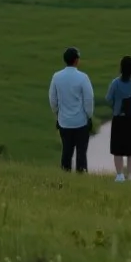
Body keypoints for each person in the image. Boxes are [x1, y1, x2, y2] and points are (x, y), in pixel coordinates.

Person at [48, 45, 94, 173]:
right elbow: (89, 99)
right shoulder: (83, 77)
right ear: (76, 60)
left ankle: (64, 177)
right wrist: (89, 116)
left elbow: (52, 99)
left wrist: (57, 113)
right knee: (81, 153)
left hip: (64, 122)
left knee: (66, 152)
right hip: (81, 122)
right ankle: (81, 176)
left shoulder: (56, 77)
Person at [105, 55, 131, 182]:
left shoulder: (115, 83)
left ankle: (120, 175)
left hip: (119, 119)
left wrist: (116, 106)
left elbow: (109, 98)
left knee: (118, 149)